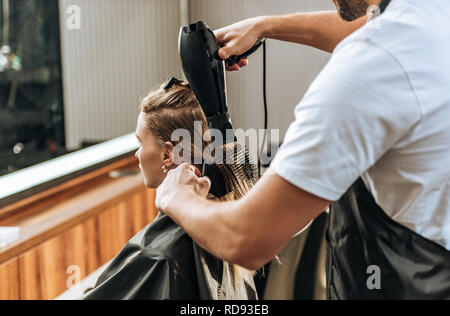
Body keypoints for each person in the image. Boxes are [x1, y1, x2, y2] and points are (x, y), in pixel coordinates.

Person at [155, 0, 450, 299]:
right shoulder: (433, 15)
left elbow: (245, 238)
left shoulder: (369, 66)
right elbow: (369, 26)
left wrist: (178, 198)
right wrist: (264, 26)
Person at [82, 79, 258, 300]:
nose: (137, 154)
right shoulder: (227, 218)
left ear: (168, 154)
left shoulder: (159, 255)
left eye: (140, 142)